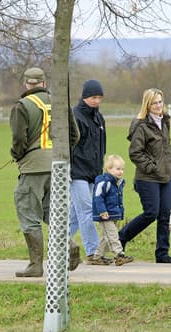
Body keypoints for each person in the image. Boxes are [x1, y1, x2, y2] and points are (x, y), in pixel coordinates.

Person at [10, 67, 82, 277]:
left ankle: (35, 264)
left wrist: (17, 155)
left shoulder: (22, 106)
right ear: (43, 83)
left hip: (33, 168)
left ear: (26, 84)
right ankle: (69, 245)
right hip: (58, 167)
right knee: (53, 211)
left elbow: (18, 139)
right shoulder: (59, 103)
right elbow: (75, 135)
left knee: (28, 211)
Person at [119, 88, 171, 264]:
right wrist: (152, 167)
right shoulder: (142, 126)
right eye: (155, 103)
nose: (159, 106)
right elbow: (135, 153)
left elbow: (167, 147)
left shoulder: (165, 121)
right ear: (148, 105)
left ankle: (162, 254)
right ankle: (121, 237)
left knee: (165, 214)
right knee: (151, 213)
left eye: (160, 102)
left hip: (166, 176)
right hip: (148, 178)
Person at [69, 79, 106, 264]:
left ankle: (56, 244)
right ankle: (93, 253)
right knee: (86, 211)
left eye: (99, 97)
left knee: (75, 214)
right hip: (77, 172)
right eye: (93, 97)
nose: (96, 101)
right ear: (84, 97)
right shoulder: (75, 116)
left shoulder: (99, 118)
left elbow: (101, 147)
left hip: (93, 172)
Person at [88, 154, 134, 266]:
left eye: (122, 169)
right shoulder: (104, 182)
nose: (121, 172)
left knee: (106, 236)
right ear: (108, 169)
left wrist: (119, 212)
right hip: (105, 214)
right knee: (113, 235)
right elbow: (98, 198)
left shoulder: (118, 183)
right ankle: (119, 255)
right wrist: (102, 211)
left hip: (113, 213)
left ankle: (97, 257)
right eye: (118, 169)